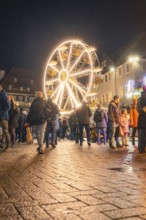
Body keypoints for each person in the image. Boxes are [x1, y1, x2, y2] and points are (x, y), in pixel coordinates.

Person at [0, 84, 11, 149]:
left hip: (3, 117)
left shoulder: (4, 95)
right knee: (4, 131)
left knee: (5, 131)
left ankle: (8, 145)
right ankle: (2, 143)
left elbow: (8, 106)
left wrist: (1, 113)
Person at [137, 86, 146, 154]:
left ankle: (141, 148)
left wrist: (142, 110)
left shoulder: (139, 99)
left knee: (141, 133)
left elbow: (138, 109)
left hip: (141, 119)